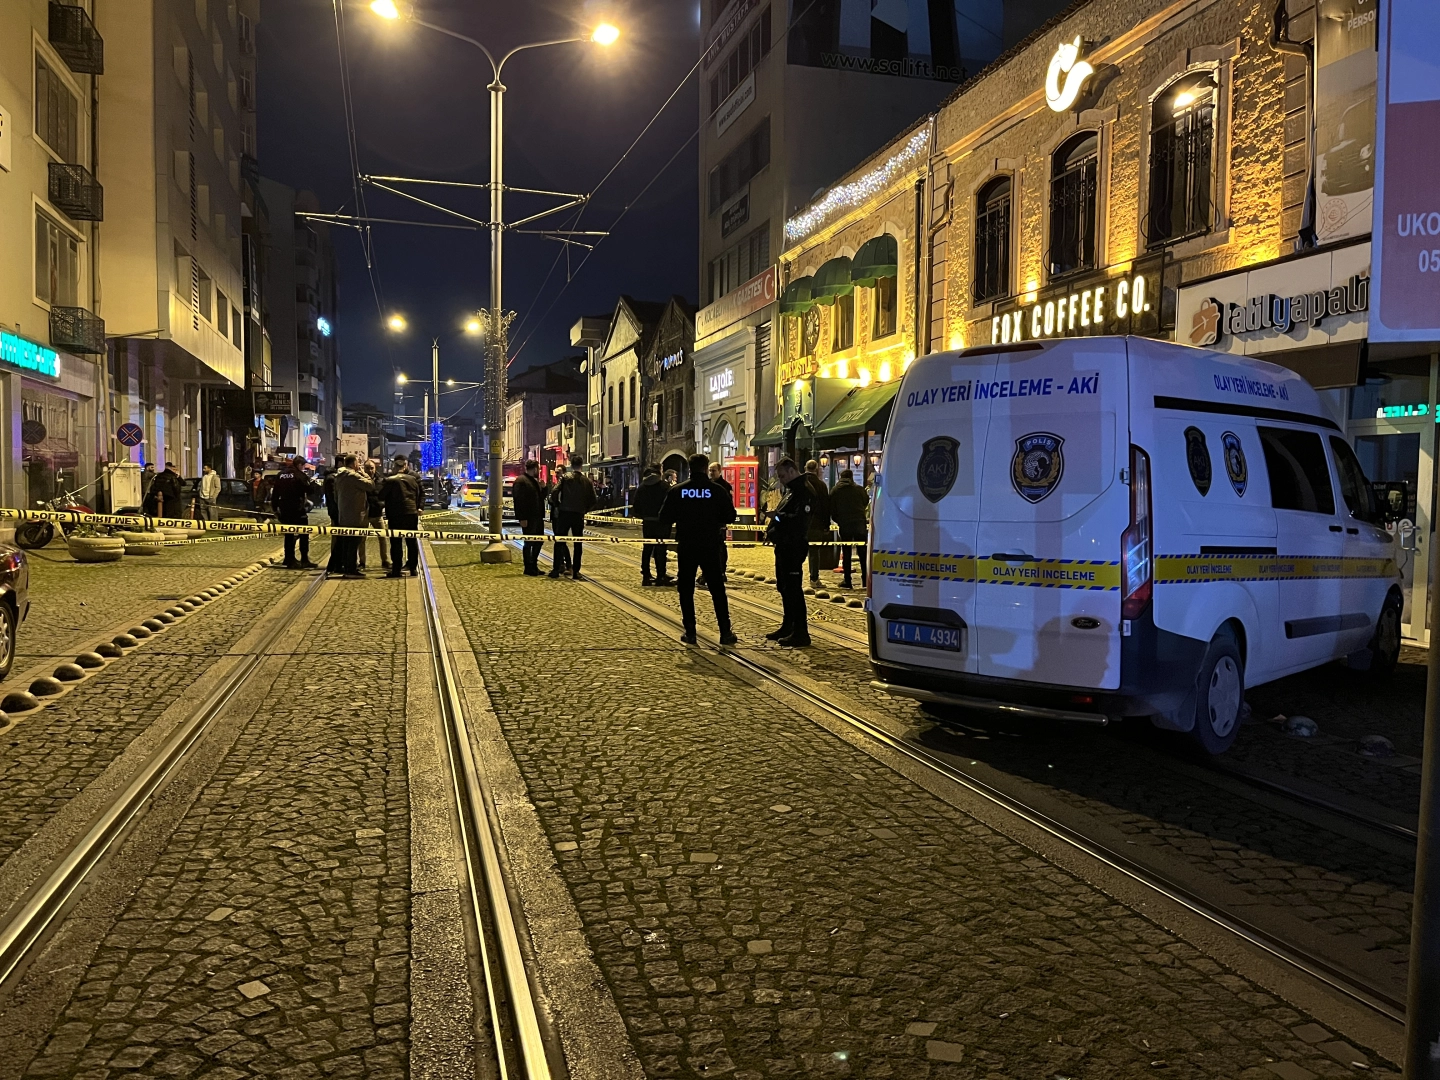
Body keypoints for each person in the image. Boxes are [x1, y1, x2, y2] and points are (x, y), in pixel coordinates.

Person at [660, 453, 738, 646]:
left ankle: (690, 632)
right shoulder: (717, 490)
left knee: (686, 589)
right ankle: (725, 632)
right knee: (717, 589)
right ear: (705, 468)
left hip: (687, 545)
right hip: (710, 544)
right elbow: (730, 516)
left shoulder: (678, 491)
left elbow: (664, 518)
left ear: (689, 468)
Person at [766, 457, 812, 646]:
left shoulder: (803, 491)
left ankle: (800, 631)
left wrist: (777, 517)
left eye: (783, 476)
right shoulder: (791, 491)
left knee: (793, 589)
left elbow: (799, 521)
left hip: (793, 546)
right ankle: (788, 626)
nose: (781, 480)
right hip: (784, 546)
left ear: (792, 471)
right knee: (784, 587)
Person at [270, 456, 320, 569]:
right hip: (297, 509)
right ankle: (304, 559)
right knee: (303, 534)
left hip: (284, 508)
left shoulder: (281, 475)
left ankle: (289, 558)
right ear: (299, 465)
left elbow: (275, 493)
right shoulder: (300, 475)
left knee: (289, 534)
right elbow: (310, 490)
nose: (303, 468)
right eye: (303, 466)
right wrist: (312, 482)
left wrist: (275, 508)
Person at [331, 454, 375, 579]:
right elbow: (371, 485)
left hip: (344, 514)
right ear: (354, 463)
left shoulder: (339, 476)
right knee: (354, 542)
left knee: (347, 543)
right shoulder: (353, 476)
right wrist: (364, 473)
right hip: (355, 515)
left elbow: (335, 496)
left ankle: (347, 567)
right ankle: (351, 569)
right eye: (358, 463)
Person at [381, 455, 423, 577]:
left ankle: (396, 569)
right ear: (404, 466)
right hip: (411, 513)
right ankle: (413, 568)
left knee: (396, 542)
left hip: (395, 514)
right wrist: (417, 507)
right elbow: (418, 494)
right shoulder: (413, 479)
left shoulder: (390, 480)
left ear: (394, 467)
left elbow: (381, 495)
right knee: (411, 541)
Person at [554, 460, 596, 579]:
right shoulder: (586, 481)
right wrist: (585, 509)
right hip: (578, 514)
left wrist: (558, 505)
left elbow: (554, 491)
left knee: (559, 541)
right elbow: (593, 499)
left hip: (564, 513)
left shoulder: (565, 478)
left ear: (571, 465)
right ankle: (576, 571)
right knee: (578, 543)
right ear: (581, 465)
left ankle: (556, 569)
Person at [633, 465, 674, 586]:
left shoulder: (642, 487)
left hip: (648, 522)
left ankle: (646, 575)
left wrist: (644, 516)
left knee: (647, 548)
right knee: (661, 549)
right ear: (659, 472)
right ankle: (661, 575)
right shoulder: (665, 487)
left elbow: (636, 506)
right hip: (662, 523)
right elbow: (670, 504)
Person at [830, 468, 870, 590]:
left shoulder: (836, 490)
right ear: (851, 477)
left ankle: (847, 580)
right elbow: (865, 501)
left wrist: (839, 520)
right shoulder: (859, 489)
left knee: (846, 552)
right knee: (863, 553)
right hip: (859, 524)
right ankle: (865, 580)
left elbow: (832, 508)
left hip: (845, 524)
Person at [697, 462, 733, 588]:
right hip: (707, 522)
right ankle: (706, 573)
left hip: (718, 523)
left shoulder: (724, 486)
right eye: (710, 470)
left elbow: (727, 506)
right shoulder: (707, 485)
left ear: (720, 471)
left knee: (720, 547)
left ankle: (721, 571)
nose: (711, 473)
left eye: (714, 470)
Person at [512, 460, 546, 576]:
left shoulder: (534, 481)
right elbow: (518, 501)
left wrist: (544, 488)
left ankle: (534, 565)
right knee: (529, 542)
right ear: (534, 469)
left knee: (539, 540)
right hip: (528, 517)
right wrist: (522, 518)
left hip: (537, 517)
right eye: (538, 469)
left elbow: (540, 498)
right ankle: (528, 567)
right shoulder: (521, 481)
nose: (539, 471)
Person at [803, 459, 832, 586]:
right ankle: (814, 578)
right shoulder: (821, 485)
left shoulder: (800, 483)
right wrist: (826, 525)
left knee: (798, 550)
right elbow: (826, 506)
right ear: (817, 469)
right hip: (816, 524)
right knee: (814, 551)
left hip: (801, 523)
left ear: (805, 468)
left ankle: (794, 577)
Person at [364, 459, 391, 571]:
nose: (369, 470)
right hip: (364, 513)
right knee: (361, 539)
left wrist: (381, 504)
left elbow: (386, 494)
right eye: (367, 468)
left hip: (377, 513)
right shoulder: (360, 479)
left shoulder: (381, 480)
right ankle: (362, 562)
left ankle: (385, 560)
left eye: (372, 468)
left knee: (383, 538)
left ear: (375, 468)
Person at [547, 472, 572, 577]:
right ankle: (561, 564)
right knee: (559, 542)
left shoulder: (566, 487)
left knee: (561, 542)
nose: (557, 474)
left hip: (562, 516)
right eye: (556, 473)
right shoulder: (556, 485)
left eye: (559, 472)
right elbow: (551, 499)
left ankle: (567, 565)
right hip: (555, 516)